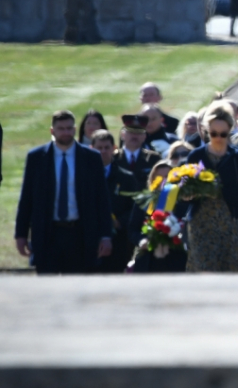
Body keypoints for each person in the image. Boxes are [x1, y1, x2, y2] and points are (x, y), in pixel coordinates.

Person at [14, 111, 112, 274]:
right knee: (47, 285)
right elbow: (27, 199)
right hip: (47, 234)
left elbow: (102, 200)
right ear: (52, 131)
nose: (66, 132)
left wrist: (106, 235)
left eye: (69, 128)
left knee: (77, 285)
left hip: (80, 235)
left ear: (75, 129)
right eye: (61, 129)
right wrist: (21, 234)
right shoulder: (36, 158)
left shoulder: (91, 158)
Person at [184, 102, 238, 272]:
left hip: (230, 223)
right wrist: (192, 191)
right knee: (203, 270)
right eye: (214, 133)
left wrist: (219, 189)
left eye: (223, 134)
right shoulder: (196, 155)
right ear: (207, 130)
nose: (218, 138)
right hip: (201, 222)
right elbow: (186, 188)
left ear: (229, 131)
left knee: (230, 271)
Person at [89, 129, 140, 273]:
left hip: (118, 241)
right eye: (99, 148)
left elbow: (135, 207)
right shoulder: (82, 176)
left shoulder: (126, 178)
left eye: (107, 147)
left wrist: (119, 222)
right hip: (89, 239)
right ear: (91, 148)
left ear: (114, 148)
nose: (103, 151)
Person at [116, 114, 162, 185]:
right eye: (131, 132)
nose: (134, 136)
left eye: (139, 132)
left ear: (145, 136)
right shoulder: (114, 158)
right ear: (123, 134)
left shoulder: (153, 158)